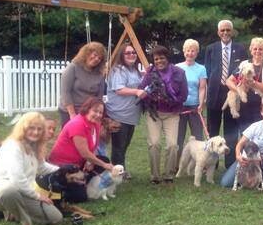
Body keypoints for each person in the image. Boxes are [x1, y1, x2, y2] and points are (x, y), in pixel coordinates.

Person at [0, 112, 63, 225]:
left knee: (56, 218)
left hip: (23, 193)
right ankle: (25, 223)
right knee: (9, 191)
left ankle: (14, 211)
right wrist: (38, 196)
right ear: (23, 128)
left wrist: (62, 170)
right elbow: (17, 180)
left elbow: (42, 167)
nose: (36, 132)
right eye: (31, 128)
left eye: (39, 129)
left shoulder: (35, 147)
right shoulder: (12, 146)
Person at [139, 45, 188, 184]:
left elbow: (184, 95)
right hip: (154, 113)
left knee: (172, 145)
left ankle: (169, 175)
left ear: (167, 58)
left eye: (162, 58)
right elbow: (141, 90)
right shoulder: (150, 73)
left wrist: (170, 100)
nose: (159, 61)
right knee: (154, 143)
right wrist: (152, 97)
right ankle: (155, 176)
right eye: (156, 59)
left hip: (172, 114)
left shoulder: (179, 73)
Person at [49, 97, 113, 201]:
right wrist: (103, 164)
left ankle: (83, 181)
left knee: (103, 160)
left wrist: (89, 161)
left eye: (101, 112)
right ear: (87, 109)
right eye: (95, 111)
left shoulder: (96, 123)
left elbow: (93, 146)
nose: (98, 115)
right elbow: (85, 153)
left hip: (78, 163)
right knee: (81, 197)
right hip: (63, 166)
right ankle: (66, 188)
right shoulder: (77, 124)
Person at [204, 20, 247, 167]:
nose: (225, 33)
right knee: (213, 130)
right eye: (222, 30)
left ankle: (230, 164)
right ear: (218, 32)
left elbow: (242, 71)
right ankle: (211, 163)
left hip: (232, 94)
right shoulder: (211, 49)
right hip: (214, 94)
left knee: (230, 131)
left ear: (232, 31)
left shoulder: (240, 48)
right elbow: (208, 71)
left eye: (228, 30)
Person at [220, 101, 263, 188]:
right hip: (247, 157)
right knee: (225, 183)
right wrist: (238, 156)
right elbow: (240, 143)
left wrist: (262, 159)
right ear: (261, 113)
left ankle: (259, 180)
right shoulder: (255, 126)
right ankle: (246, 178)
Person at [105, 43, 146, 174]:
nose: (132, 55)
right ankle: (117, 173)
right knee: (119, 147)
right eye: (127, 53)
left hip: (130, 116)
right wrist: (136, 92)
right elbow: (119, 89)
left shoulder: (134, 70)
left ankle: (119, 170)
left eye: (133, 52)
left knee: (124, 146)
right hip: (118, 115)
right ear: (121, 55)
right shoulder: (118, 70)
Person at [226, 37, 263, 132]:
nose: (257, 51)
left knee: (260, 135)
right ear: (251, 50)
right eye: (255, 49)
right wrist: (239, 90)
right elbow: (228, 81)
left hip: (261, 108)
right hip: (244, 107)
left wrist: (253, 83)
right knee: (245, 135)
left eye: (260, 49)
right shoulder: (244, 64)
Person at [58, 41, 106, 127]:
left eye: (99, 58)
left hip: (88, 112)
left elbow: (99, 97)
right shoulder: (73, 67)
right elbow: (65, 92)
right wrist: (72, 115)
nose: (96, 59)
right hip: (69, 111)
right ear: (87, 53)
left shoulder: (100, 74)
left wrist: (96, 113)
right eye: (95, 55)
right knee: (70, 137)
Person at [176, 39, 207, 167]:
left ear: (197, 52)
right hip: (180, 107)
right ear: (184, 52)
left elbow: (202, 88)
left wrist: (201, 104)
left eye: (193, 50)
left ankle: (198, 164)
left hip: (195, 107)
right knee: (178, 137)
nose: (190, 53)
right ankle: (176, 164)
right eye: (188, 50)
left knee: (198, 137)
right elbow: (173, 87)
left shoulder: (201, 68)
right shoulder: (177, 67)